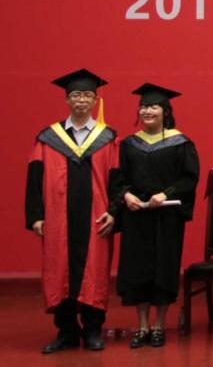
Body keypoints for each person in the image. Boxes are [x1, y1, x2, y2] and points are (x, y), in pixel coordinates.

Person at [25, 69, 118, 354]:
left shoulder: (108, 138)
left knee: (95, 271)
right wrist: (36, 216)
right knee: (59, 270)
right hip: (58, 219)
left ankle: (92, 329)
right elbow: (34, 178)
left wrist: (114, 212)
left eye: (88, 95)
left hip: (96, 217)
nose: (81, 100)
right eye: (76, 95)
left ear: (95, 101)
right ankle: (66, 330)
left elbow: (117, 180)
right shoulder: (48, 138)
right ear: (67, 99)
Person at [111, 83, 199, 348]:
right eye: (144, 107)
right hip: (136, 216)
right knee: (137, 270)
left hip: (166, 217)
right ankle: (142, 326)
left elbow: (189, 178)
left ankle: (159, 325)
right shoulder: (129, 144)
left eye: (153, 106)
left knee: (164, 269)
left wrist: (165, 193)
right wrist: (126, 196)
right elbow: (118, 178)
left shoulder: (180, 143)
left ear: (165, 111)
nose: (147, 111)